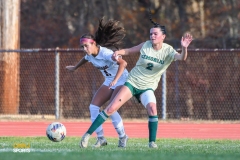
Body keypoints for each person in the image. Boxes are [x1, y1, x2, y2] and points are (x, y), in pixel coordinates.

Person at [79, 15, 193, 149]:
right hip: (132, 82)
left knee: (152, 108)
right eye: (151, 34)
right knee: (111, 108)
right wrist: (118, 52)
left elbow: (181, 58)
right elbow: (129, 50)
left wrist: (184, 47)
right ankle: (87, 135)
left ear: (163, 36)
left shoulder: (168, 50)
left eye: (155, 34)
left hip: (148, 87)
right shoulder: (146, 45)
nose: (152, 36)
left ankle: (152, 143)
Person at [66, 17, 129, 148]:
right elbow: (85, 58)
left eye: (86, 46)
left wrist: (116, 80)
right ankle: (101, 138)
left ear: (94, 43)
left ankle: (123, 137)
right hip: (109, 81)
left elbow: (123, 63)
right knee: (93, 107)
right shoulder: (89, 55)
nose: (84, 49)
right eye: (82, 46)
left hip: (122, 79)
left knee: (111, 108)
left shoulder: (106, 53)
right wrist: (75, 67)